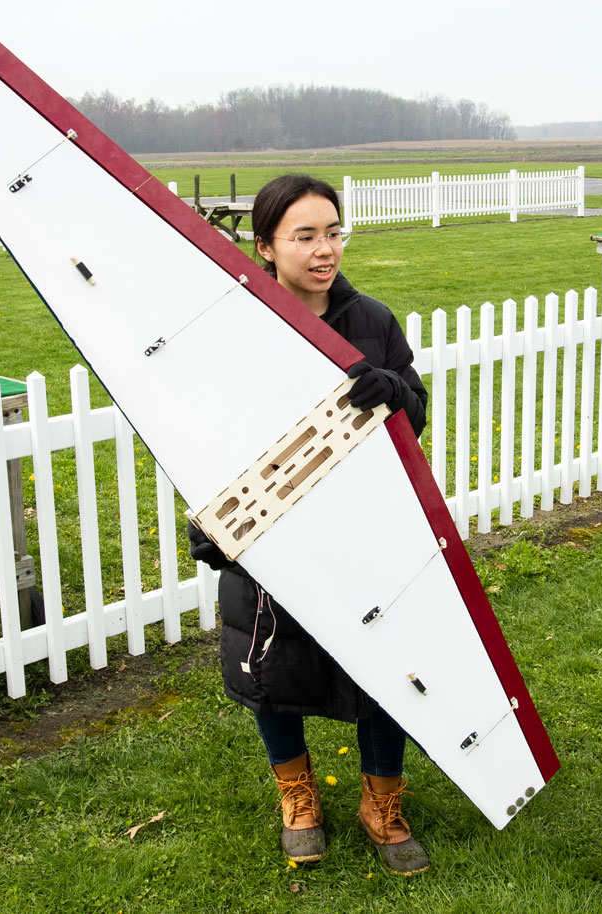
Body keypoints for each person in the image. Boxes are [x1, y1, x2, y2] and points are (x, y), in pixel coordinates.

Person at [188, 174, 429, 876]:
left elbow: (417, 411)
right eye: (305, 236)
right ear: (265, 246)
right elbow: (203, 435)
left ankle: (381, 802)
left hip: (367, 525)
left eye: (333, 232)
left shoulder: (373, 320)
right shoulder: (235, 326)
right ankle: (297, 797)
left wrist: (398, 394)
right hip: (272, 526)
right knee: (273, 662)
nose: (325, 249)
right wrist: (212, 521)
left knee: (388, 662)